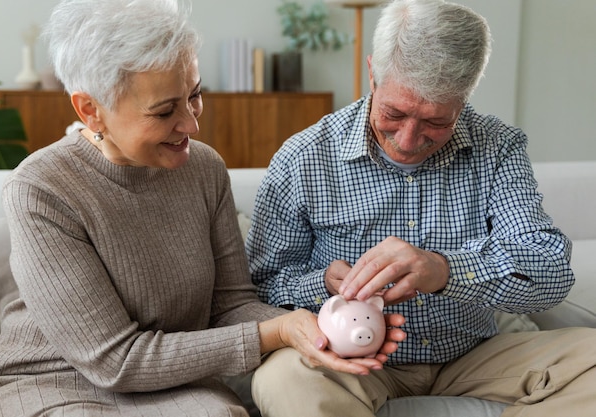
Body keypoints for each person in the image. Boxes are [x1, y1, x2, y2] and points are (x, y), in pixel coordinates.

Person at [0, 1, 407, 416]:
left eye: (194, 96)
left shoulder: (202, 168)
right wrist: (273, 333)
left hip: (173, 385)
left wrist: (318, 326)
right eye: (163, 112)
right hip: (47, 382)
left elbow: (232, 305)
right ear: (91, 110)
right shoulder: (42, 190)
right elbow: (113, 362)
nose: (192, 125)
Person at [247, 0, 596, 416]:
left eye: (437, 121)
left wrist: (444, 270)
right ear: (373, 73)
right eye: (394, 113)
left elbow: (551, 270)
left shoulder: (497, 147)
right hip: (351, 360)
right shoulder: (304, 157)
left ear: (464, 98)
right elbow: (261, 287)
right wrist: (321, 284)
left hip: (474, 352)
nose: (409, 140)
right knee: (282, 380)